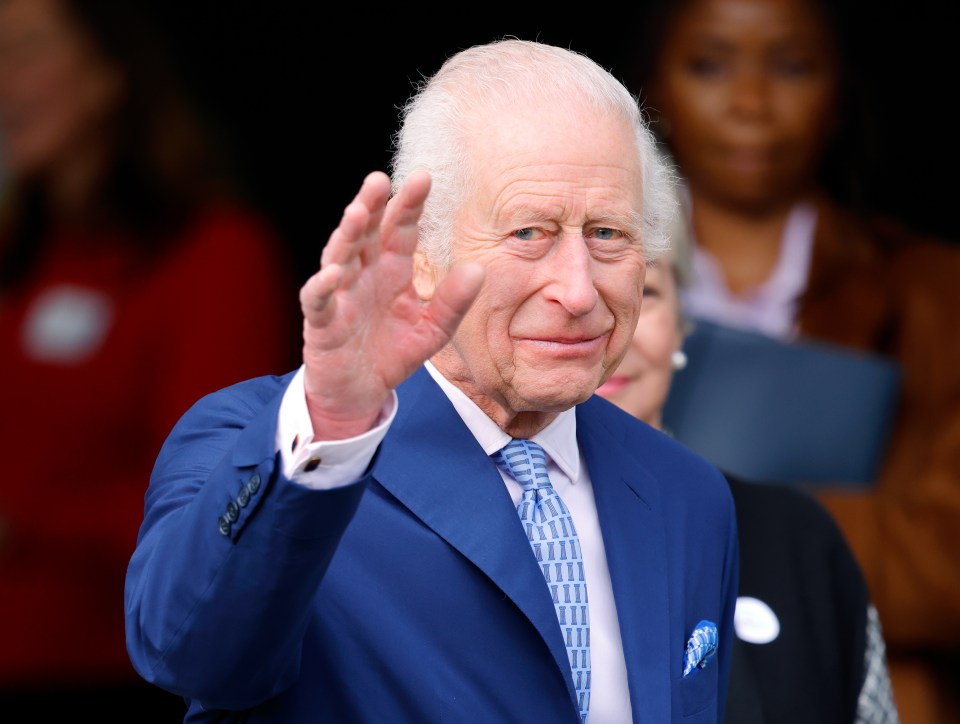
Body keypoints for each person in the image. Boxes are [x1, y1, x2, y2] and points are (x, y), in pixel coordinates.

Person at [124, 38, 740, 722]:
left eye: (607, 234)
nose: (578, 289)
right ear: (421, 253)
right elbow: (189, 655)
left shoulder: (685, 493)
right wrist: (333, 424)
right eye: (529, 232)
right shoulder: (278, 448)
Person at [622, 0, 960, 720]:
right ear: (653, 87)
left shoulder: (930, 293)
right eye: (710, 64)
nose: (750, 104)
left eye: (793, 66)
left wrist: (749, 523)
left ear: (839, 89)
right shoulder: (584, 274)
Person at [0, 0, 298, 715]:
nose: (3, 79)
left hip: (120, 676)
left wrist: (25, 521)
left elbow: (219, 498)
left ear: (107, 74)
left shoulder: (216, 258)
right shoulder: (26, 261)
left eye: (26, 50)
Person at [595, 196, 900, 723]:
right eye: (579, 298)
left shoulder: (799, 538)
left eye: (644, 291)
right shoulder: (470, 526)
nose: (612, 329)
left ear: (682, 330)